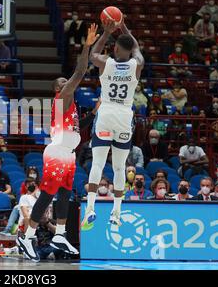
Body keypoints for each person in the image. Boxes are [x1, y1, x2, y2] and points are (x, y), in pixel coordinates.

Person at [17, 23, 99, 262]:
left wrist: (92, 114)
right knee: (48, 195)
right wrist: (86, 47)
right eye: (64, 81)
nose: (68, 83)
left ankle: (60, 234)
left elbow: (78, 128)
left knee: (65, 194)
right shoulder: (61, 97)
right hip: (57, 151)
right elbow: (80, 72)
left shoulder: (71, 108)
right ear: (58, 88)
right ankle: (27, 235)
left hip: (69, 152)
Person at [81, 18, 145, 230]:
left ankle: (90, 208)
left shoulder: (106, 63)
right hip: (124, 116)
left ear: (116, 48)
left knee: (98, 164)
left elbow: (92, 55)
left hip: (106, 113)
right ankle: (116, 213)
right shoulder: (137, 64)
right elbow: (135, 47)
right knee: (119, 167)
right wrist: (123, 27)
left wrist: (107, 32)